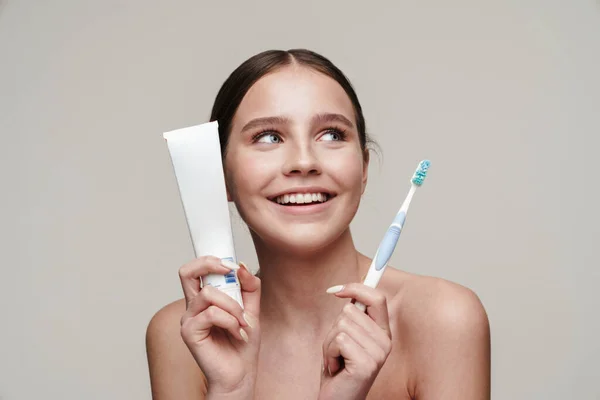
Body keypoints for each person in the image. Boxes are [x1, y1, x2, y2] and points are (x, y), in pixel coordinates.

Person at [146, 49, 490, 400]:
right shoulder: (187, 335)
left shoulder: (443, 320)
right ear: (222, 177)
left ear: (364, 167)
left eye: (331, 135)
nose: (304, 161)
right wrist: (231, 391)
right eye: (269, 137)